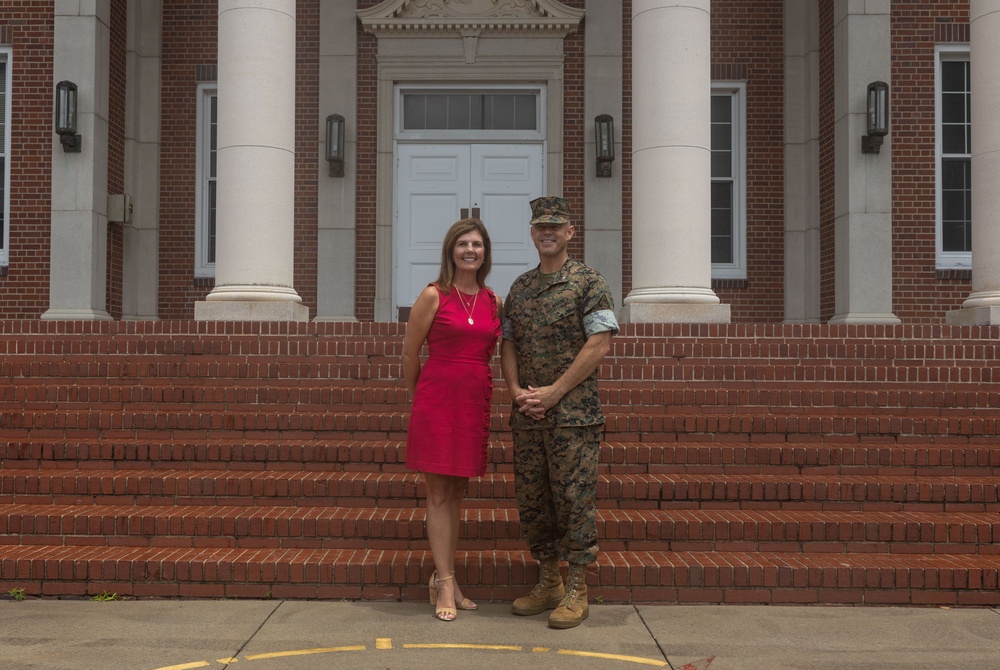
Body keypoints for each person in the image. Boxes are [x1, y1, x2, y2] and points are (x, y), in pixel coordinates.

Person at [500, 196, 618, 629]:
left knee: (574, 501)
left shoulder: (589, 283)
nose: (547, 232)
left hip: (573, 417)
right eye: (540, 227)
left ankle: (577, 588)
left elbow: (600, 344)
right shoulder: (521, 288)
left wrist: (554, 393)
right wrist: (516, 392)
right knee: (534, 502)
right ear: (532, 234)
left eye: (556, 226)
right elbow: (508, 342)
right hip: (529, 416)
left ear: (570, 232)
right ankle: (548, 581)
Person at [403, 217, 502, 622]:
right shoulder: (433, 295)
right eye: (463, 244)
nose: (470, 250)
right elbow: (410, 354)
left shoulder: (493, 300)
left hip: (472, 402)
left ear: (485, 253)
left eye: (477, 244)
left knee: (457, 493)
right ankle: (443, 582)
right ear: (451, 250)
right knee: (438, 494)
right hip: (437, 401)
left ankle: (449, 576)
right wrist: (418, 400)